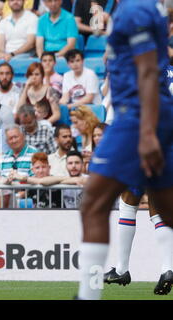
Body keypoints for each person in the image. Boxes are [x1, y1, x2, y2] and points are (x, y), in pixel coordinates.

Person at [77, 0, 173, 300]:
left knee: (93, 202)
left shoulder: (135, 9)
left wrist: (145, 133)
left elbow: (146, 71)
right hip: (151, 114)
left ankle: (88, 294)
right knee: (165, 206)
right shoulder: (144, 9)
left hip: (136, 116)